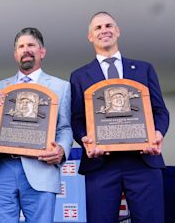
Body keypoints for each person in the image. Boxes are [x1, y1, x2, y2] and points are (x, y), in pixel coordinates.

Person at [70, 12, 169, 223]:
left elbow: (160, 111)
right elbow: (77, 119)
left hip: (143, 161)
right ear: (90, 36)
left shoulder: (144, 69)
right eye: (98, 28)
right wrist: (85, 139)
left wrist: (157, 134)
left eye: (108, 25)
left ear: (117, 31)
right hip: (101, 165)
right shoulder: (79, 76)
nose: (104, 30)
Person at [0, 27, 73, 222]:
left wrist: (62, 150)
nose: (26, 50)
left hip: (41, 168)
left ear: (42, 51)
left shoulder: (61, 86)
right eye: (21, 46)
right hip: (2, 169)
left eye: (31, 45)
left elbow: (64, 127)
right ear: (16, 55)